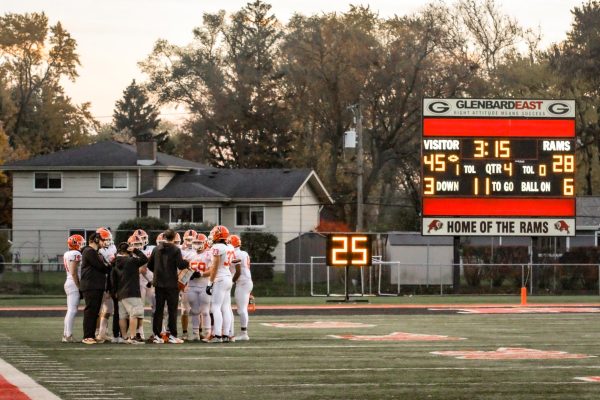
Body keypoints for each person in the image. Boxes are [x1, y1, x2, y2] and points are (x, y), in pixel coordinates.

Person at [147, 229, 188, 344]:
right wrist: (187, 262)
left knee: (158, 310)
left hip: (159, 284)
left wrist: (157, 272)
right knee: (172, 311)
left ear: (163, 236)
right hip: (171, 284)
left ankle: (157, 335)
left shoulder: (156, 249)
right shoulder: (176, 249)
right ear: (174, 237)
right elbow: (180, 265)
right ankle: (172, 335)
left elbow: (150, 265)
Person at [112, 237, 148, 344]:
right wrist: (135, 250)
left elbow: (112, 278)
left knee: (122, 316)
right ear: (128, 250)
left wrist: (115, 292)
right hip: (132, 291)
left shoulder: (114, 262)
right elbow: (145, 259)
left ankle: (124, 337)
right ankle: (132, 337)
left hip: (120, 293)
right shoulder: (131, 260)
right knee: (134, 314)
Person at [80, 231, 112, 344]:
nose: (106, 243)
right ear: (97, 239)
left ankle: (91, 335)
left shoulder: (94, 252)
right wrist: (109, 265)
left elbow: (105, 266)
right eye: (104, 240)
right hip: (91, 285)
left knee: (94, 312)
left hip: (95, 285)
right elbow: (102, 267)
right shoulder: (90, 251)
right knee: (91, 311)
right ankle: (87, 336)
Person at [206, 225, 234, 343]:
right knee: (226, 307)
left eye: (213, 234)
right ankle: (226, 334)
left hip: (220, 278)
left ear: (218, 235)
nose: (212, 236)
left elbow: (215, 266)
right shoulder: (230, 247)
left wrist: (210, 282)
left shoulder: (217, 247)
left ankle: (217, 335)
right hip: (228, 277)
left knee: (215, 307)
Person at [187, 233, 212, 341]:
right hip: (192, 286)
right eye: (195, 242)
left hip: (203, 285)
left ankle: (207, 332)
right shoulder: (189, 255)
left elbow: (212, 270)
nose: (196, 244)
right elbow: (184, 271)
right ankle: (195, 333)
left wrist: (201, 274)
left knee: (205, 311)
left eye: (199, 242)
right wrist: (188, 275)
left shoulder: (208, 255)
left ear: (204, 243)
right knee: (194, 311)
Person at [229, 234, 253, 341]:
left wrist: (231, 282)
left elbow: (238, 272)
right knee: (242, 309)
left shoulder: (236, 254)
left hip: (242, 283)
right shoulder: (244, 253)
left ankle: (244, 333)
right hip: (246, 282)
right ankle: (243, 332)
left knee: (242, 310)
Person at [62, 234, 85, 342]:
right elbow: (73, 272)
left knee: (70, 310)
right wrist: (79, 286)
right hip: (73, 282)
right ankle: (68, 335)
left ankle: (66, 334)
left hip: (69, 282)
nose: (82, 245)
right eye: (81, 243)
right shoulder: (76, 253)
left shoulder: (68, 253)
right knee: (72, 311)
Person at [97, 227, 116, 342]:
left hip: (109, 281)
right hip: (100, 281)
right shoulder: (97, 251)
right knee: (99, 309)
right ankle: (97, 332)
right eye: (105, 239)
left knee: (108, 308)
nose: (108, 241)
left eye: (109, 238)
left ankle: (102, 332)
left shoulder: (112, 247)